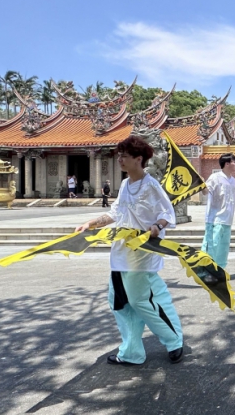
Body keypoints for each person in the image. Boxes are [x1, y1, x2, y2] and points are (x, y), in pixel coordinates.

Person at [75, 135, 182, 366]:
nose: (120, 159)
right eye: (119, 155)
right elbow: (115, 213)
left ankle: (173, 340)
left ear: (138, 159)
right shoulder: (125, 185)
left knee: (140, 300)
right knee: (119, 301)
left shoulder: (151, 185)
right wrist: (91, 223)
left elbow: (167, 213)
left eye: (125, 156)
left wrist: (156, 227)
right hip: (120, 251)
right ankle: (132, 352)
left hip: (141, 251)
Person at [201, 153, 235, 269]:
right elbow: (205, 191)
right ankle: (206, 270)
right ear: (227, 164)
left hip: (227, 219)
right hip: (215, 218)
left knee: (223, 247)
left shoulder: (232, 180)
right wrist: (201, 184)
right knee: (212, 244)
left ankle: (220, 270)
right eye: (234, 162)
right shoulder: (215, 177)